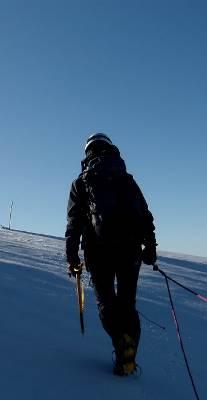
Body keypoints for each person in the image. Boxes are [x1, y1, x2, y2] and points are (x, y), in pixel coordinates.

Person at [65, 133, 157, 376]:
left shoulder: (81, 182)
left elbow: (74, 223)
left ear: (87, 153)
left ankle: (120, 344)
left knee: (107, 302)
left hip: (98, 251)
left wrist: (72, 257)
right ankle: (128, 354)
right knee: (128, 303)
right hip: (130, 250)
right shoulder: (127, 180)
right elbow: (145, 215)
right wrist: (151, 248)